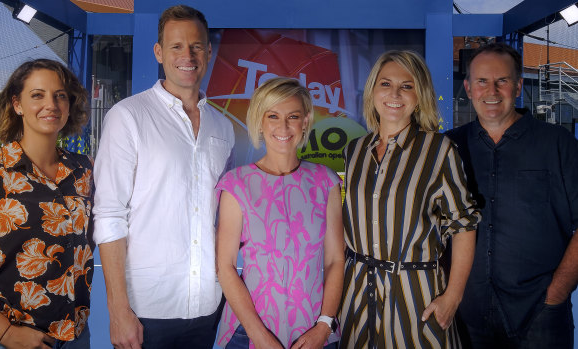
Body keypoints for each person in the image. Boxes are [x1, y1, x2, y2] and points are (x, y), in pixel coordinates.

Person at [92, 5, 235, 349]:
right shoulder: (127, 117)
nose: (188, 55)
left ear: (209, 51)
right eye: (176, 46)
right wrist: (117, 309)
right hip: (145, 309)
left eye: (197, 46)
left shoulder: (223, 127)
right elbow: (110, 215)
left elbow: (223, 216)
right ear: (159, 52)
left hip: (208, 303)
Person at [338, 50, 480, 349]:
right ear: (373, 90)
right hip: (357, 294)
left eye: (407, 85)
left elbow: (464, 226)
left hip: (417, 295)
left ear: (420, 94)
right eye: (386, 83)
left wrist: (452, 297)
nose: (395, 94)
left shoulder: (440, 151)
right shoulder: (354, 152)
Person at [446, 43, 578, 349]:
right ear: (468, 87)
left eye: (502, 81)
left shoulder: (558, 145)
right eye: (481, 81)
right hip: (467, 315)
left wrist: (556, 293)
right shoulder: (449, 147)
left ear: (518, 86)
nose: (491, 91)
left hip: (540, 316)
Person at [0, 58, 93, 349]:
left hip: (74, 337)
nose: (52, 104)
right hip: (6, 337)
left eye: (60, 95)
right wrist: (6, 333)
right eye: (38, 95)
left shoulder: (84, 171)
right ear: (17, 104)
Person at [215, 77, 345, 349]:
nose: (283, 126)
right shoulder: (236, 184)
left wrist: (324, 325)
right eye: (272, 116)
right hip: (248, 333)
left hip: (314, 332)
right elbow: (225, 266)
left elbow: (334, 260)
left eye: (293, 116)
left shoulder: (326, 181)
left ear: (306, 121)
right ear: (259, 122)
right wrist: (259, 336)